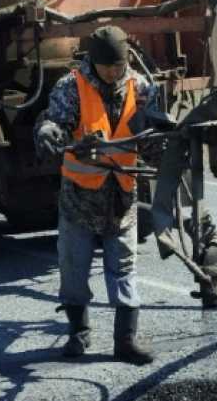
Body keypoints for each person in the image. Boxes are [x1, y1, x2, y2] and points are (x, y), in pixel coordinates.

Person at [35, 26, 157, 365]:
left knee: (124, 267)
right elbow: (55, 122)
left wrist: (162, 141)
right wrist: (48, 133)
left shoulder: (141, 86)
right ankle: (78, 333)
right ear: (94, 62)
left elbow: (153, 129)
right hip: (80, 199)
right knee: (73, 268)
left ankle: (126, 341)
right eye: (109, 68)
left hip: (122, 198)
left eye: (120, 66)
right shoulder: (71, 86)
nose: (115, 73)